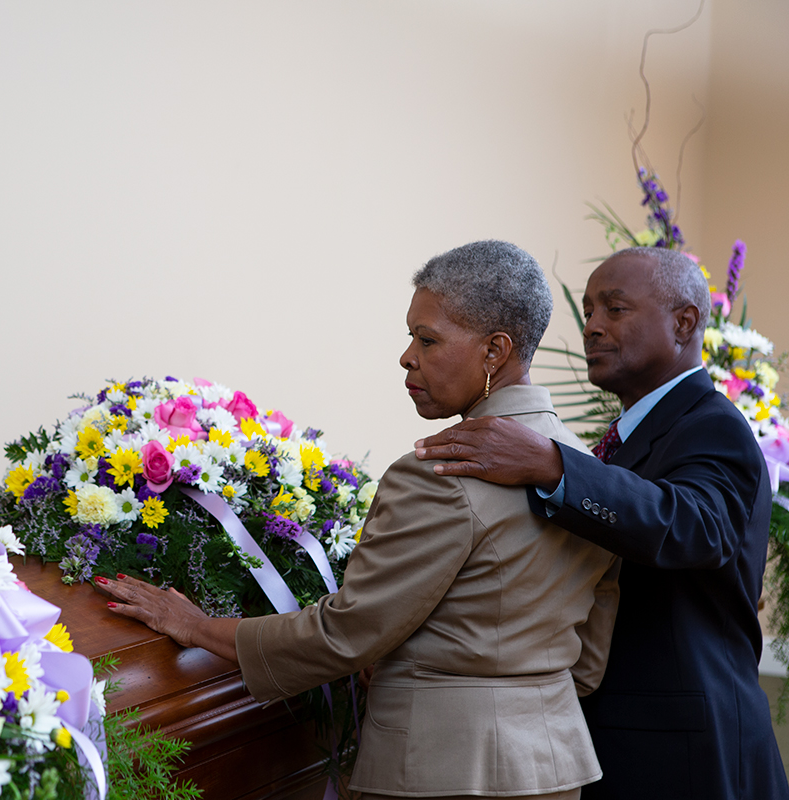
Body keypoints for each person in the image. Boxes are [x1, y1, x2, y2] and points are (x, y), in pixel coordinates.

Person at [98, 240, 620, 799]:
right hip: (552, 767)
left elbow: (344, 635)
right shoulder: (590, 474)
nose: (407, 357)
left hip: (438, 771)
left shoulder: (440, 473)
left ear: (495, 350)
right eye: (411, 336)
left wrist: (194, 626)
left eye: (428, 340)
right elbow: (588, 664)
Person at [413, 246, 789, 799]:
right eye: (588, 310)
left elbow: (696, 528)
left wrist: (554, 465)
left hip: (685, 750)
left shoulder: (713, 425)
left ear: (684, 323)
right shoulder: (627, 438)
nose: (591, 326)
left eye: (615, 308)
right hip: (613, 737)